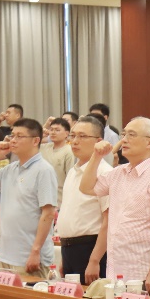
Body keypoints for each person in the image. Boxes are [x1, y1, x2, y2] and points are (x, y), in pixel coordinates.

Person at [79, 117, 150, 295]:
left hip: (142, 273)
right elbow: (86, 187)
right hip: (115, 272)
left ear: (149, 142)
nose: (124, 140)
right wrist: (96, 156)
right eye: (124, 134)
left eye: (131, 135)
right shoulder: (118, 173)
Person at [0, 118, 59, 278]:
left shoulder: (44, 170)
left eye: (19, 136)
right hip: (6, 255)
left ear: (35, 141)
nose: (13, 140)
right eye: (12, 135)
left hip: (30, 256)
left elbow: (48, 213)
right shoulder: (10, 169)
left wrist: (36, 250)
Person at [57, 116, 111, 283]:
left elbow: (108, 220)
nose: (74, 141)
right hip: (68, 248)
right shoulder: (73, 171)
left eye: (82, 136)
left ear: (99, 142)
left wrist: (94, 260)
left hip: (91, 248)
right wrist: (64, 258)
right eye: (72, 136)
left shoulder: (105, 172)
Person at [40, 117, 75, 202]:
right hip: (41, 196)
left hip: (59, 198)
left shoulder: (69, 151)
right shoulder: (44, 147)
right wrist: (41, 134)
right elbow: (29, 144)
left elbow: (70, 179)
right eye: (51, 129)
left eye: (57, 130)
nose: (53, 132)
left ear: (67, 133)